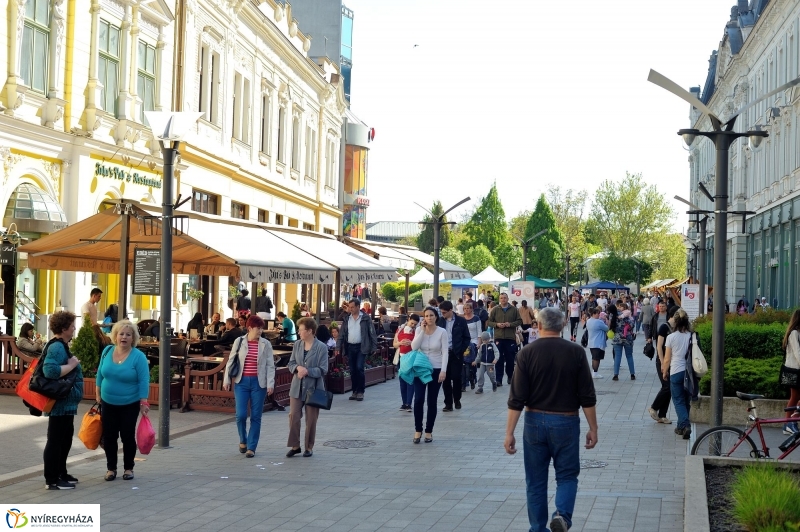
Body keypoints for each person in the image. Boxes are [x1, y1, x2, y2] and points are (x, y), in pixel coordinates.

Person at [504, 306, 597, 532]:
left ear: (539, 325)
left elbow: (517, 398)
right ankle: (562, 516)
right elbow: (587, 395)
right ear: (563, 324)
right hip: (566, 421)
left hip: (534, 420)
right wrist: (593, 428)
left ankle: (537, 528)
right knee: (566, 476)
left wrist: (509, 433)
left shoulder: (526, 353)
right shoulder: (575, 352)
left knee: (535, 482)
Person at [95, 319, 149, 481]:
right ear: (115, 336)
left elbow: (144, 380)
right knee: (110, 436)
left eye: (128, 334)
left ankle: (128, 468)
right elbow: (100, 373)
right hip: (107, 401)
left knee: (127, 436)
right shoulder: (107, 351)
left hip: (129, 404)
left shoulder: (138, 357)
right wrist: (97, 393)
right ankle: (111, 468)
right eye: (121, 334)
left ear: (133, 338)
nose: (124, 337)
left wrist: (144, 402)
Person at [41, 311, 84, 490]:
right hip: (59, 403)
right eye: (72, 325)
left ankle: (61, 472)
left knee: (64, 439)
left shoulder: (62, 345)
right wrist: (72, 365)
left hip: (66, 403)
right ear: (65, 328)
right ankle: (52, 479)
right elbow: (49, 371)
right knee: (56, 440)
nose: (74, 328)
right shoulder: (56, 347)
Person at [222, 315, 275, 457]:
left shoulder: (266, 344)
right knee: (240, 415)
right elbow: (231, 361)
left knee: (256, 416)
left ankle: (251, 447)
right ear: (250, 328)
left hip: (259, 383)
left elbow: (270, 365)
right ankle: (242, 439)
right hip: (242, 382)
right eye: (258, 328)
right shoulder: (239, 341)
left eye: (261, 328)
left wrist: (270, 384)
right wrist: (227, 380)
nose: (260, 331)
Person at [286, 317, 329, 458]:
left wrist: (308, 371)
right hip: (297, 387)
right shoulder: (297, 345)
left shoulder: (321, 347)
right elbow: (291, 363)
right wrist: (297, 367)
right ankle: (295, 445)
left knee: (311, 419)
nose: (299, 332)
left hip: (314, 388)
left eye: (301, 330)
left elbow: (324, 369)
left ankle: (309, 447)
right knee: (293, 416)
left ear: (310, 331)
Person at [410, 307, 448, 443]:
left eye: (431, 315)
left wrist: (443, 370)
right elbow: (414, 347)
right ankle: (418, 430)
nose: (429, 318)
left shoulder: (442, 332)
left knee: (432, 401)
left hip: (436, 369)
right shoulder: (420, 330)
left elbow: (445, 352)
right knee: (419, 399)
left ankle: (428, 431)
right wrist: (421, 331)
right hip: (420, 369)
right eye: (426, 316)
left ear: (436, 317)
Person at [662, 308, 693, 439]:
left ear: (675, 321)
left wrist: (664, 371)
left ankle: (685, 425)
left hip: (676, 371)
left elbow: (667, 358)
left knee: (678, 401)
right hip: (690, 372)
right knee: (686, 400)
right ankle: (681, 427)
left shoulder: (671, 337)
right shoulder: (692, 336)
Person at [337, 299, 377, 402]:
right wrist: (338, 347)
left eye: (352, 307)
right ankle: (354, 391)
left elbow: (372, 333)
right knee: (352, 370)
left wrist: (374, 346)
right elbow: (341, 334)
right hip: (350, 346)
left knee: (359, 368)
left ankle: (360, 391)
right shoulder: (347, 319)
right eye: (349, 307)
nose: (350, 309)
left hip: (361, 347)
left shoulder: (365, 318)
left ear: (358, 307)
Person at [436, 301, 471, 412]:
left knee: (456, 377)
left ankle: (457, 399)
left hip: (456, 353)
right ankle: (448, 403)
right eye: (441, 312)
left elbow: (466, 337)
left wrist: (461, 349)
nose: (443, 314)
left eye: (445, 312)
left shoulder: (461, 321)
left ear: (451, 310)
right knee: (445, 378)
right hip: (443, 354)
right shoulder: (440, 321)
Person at [648, 305, 679, 425]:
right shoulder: (663, 327)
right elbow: (659, 346)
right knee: (667, 386)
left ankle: (662, 415)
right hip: (662, 361)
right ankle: (654, 408)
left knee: (670, 388)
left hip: (672, 361)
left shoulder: (676, 328)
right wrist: (662, 362)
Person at [487, 293, 522, 387]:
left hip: (510, 338)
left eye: (505, 298)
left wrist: (510, 324)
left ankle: (510, 376)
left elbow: (519, 321)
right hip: (498, 337)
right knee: (499, 359)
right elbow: (489, 322)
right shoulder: (495, 309)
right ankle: (499, 379)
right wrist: (497, 325)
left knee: (510, 359)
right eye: (501, 298)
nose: (503, 300)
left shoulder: (514, 310)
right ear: (499, 299)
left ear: (508, 299)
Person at [393, 314, 419, 411]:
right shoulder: (399, 330)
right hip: (401, 357)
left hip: (411, 358)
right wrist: (400, 343)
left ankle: (408, 403)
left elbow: (418, 345)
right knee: (402, 381)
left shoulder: (416, 331)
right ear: (408, 320)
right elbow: (394, 344)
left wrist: (411, 343)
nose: (413, 325)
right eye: (412, 323)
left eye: (415, 324)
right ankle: (404, 402)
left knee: (410, 380)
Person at [782, 309, 800, 434]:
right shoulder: (794, 333)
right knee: (794, 397)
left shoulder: (797, 332)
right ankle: (789, 423)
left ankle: (789, 423)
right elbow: (797, 352)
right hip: (794, 371)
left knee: (795, 397)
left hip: (796, 370)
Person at [611, 303, 635, 381]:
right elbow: (632, 325)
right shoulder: (629, 316)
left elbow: (610, 326)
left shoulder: (614, 316)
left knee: (617, 356)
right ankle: (632, 374)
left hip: (617, 338)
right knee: (629, 356)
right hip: (628, 338)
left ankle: (616, 374)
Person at [463, 302, 482, 389]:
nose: (467, 310)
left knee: (471, 361)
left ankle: (473, 376)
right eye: (465, 308)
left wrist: (479, 343)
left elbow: (479, 331)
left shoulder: (476, 318)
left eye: (468, 308)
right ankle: (465, 380)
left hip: (473, 341)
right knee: (465, 362)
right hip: (465, 342)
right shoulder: (462, 319)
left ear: (471, 309)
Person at [586, 307, 608, 379]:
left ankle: (594, 372)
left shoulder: (588, 321)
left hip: (591, 342)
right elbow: (606, 328)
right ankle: (595, 373)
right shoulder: (598, 322)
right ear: (594, 314)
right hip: (598, 343)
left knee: (594, 358)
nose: (599, 315)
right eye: (598, 314)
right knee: (597, 358)